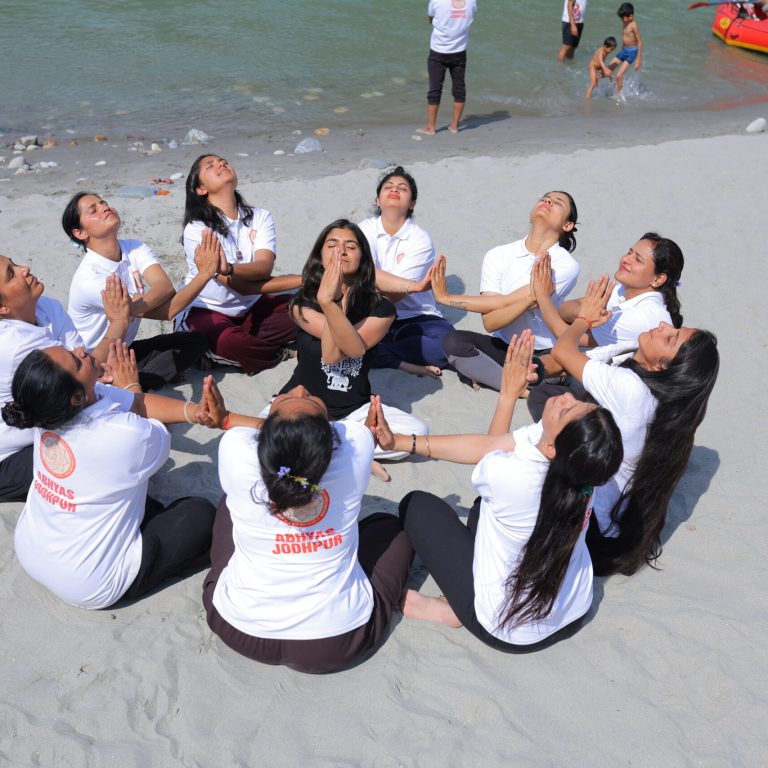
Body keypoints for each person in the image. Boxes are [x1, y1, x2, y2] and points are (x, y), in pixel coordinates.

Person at [368, 332, 623, 650]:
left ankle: (451, 610)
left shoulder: (517, 478)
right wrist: (403, 442)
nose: (564, 398)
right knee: (481, 507)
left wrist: (506, 395)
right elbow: (494, 448)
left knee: (416, 506)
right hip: (572, 609)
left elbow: (489, 451)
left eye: (564, 411)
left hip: (507, 629)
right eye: (576, 403)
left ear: (552, 447)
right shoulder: (585, 464)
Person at [2, 340, 261, 609]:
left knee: (133, 496)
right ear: (76, 398)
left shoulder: (46, 410)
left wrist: (193, 412)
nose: (80, 351)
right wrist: (131, 386)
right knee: (199, 514)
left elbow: (133, 405)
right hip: (90, 583)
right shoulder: (122, 435)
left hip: (31, 547)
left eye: (70, 351)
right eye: (76, 361)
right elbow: (146, 423)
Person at [202, 385, 414, 673]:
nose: (301, 388)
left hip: (238, 628)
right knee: (389, 528)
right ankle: (401, 600)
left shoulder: (236, 449)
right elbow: (351, 434)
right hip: (336, 641)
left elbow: (256, 431)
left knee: (231, 503)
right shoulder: (355, 445)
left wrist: (227, 418)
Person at [549, 277, 719, 576]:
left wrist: (584, 320)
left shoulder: (632, 390)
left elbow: (564, 352)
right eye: (673, 329)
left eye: (670, 338)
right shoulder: (665, 405)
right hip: (611, 533)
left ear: (662, 368)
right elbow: (585, 360)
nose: (663, 327)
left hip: (588, 529)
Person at [278, 219, 428, 480]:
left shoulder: (381, 308)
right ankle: (349, 451)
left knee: (418, 431)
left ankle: (328, 447)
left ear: (363, 258)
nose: (341, 251)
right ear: (319, 256)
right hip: (301, 401)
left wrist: (333, 301)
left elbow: (351, 349)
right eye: (332, 244)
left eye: (351, 246)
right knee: (264, 435)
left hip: (353, 411)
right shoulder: (300, 303)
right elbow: (330, 353)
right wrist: (328, 300)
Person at [63, 192, 214, 391]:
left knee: (196, 340)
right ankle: (118, 384)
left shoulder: (134, 247)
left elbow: (164, 286)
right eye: (94, 210)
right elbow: (166, 312)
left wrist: (133, 306)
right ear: (80, 233)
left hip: (123, 350)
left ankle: (130, 379)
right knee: (158, 364)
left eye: (103, 203)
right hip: (93, 360)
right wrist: (204, 274)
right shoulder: (89, 279)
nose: (104, 207)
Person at [526, 232, 685, 420]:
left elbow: (565, 337)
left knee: (541, 395)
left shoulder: (644, 316)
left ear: (658, 279)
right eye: (629, 252)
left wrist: (542, 295)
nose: (626, 259)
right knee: (533, 363)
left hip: (614, 403)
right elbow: (566, 310)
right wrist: (586, 315)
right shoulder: (623, 289)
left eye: (638, 259)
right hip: (591, 368)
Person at [439, 191, 580, 391]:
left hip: (544, 353)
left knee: (561, 369)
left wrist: (446, 298)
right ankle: (518, 388)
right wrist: (532, 296)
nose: (548, 201)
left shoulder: (565, 264)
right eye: (544, 198)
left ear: (567, 225)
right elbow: (491, 322)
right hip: (505, 349)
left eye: (557, 202)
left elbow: (504, 305)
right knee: (453, 341)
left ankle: (494, 377)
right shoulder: (498, 255)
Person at [180, 155, 301, 374]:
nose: (221, 164)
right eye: (210, 166)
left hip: (253, 307)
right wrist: (308, 278)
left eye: (223, 161)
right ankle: (279, 353)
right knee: (229, 342)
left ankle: (248, 346)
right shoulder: (197, 229)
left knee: (307, 309)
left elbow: (264, 268)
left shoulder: (260, 217)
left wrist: (230, 268)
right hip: (208, 310)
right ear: (200, 189)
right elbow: (240, 286)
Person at [0, 255, 96, 501]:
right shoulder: (13, 346)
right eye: (11, 274)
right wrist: (118, 321)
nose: (25, 268)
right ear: (3, 308)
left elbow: (84, 361)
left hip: (56, 407)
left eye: (15, 263)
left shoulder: (47, 306)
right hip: (10, 456)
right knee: (87, 463)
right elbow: (88, 376)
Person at [358, 166, 454, 377]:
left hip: (417, 317)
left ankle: (377, 353)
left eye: (402, 188)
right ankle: (387, 354)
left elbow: (398, 291)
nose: (394, 189)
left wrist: (370, 279)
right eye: (388, 186)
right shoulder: (364, 230)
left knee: (447, 346)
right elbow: (361, 275)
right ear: (377, 200)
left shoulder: (419, 238)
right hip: (369, 312)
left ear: (412, 204)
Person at [418, 0, 478, 135]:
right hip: (459, 51)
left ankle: (431, 127)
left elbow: (431, 18)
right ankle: (454, 126)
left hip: (438, 51)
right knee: (459, 89)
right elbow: (471, 15)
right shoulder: (471, 2)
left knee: (434, 89)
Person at [608, 3, 643, 98]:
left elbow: (640, 42)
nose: (621, 19)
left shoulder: (633, 26)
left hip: (632, 52)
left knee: (619, 76)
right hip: (624, 50)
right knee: (608, 69)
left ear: (630, 16)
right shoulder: (625, 22)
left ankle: (618, 97)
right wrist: (622, 49)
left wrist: (638, 60)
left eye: (623, 17)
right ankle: (614, 87)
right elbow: (625, 35)